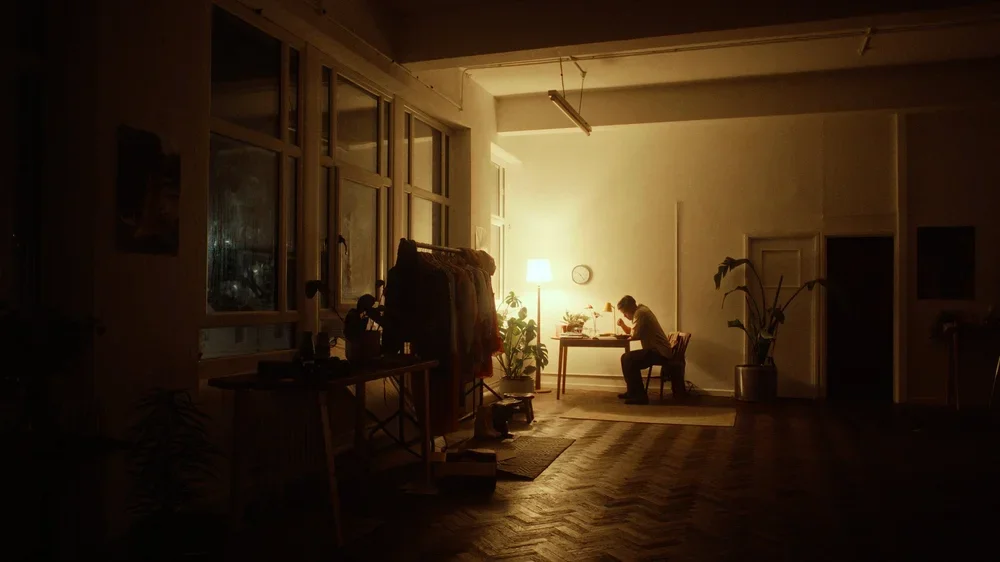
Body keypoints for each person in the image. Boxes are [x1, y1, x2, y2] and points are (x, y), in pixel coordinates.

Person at [616, 295, 676, 404]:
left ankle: (639, 396)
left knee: (628, 359)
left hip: (660, 352)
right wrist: (623, 326)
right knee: (626, 358)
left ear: (630, 308)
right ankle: (632, 391)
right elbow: (634, 332)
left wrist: (626, 333)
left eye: (625, 312)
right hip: (657, 350)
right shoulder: (641, 311)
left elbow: (635, 335)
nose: (624, 316)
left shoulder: (641, 313)